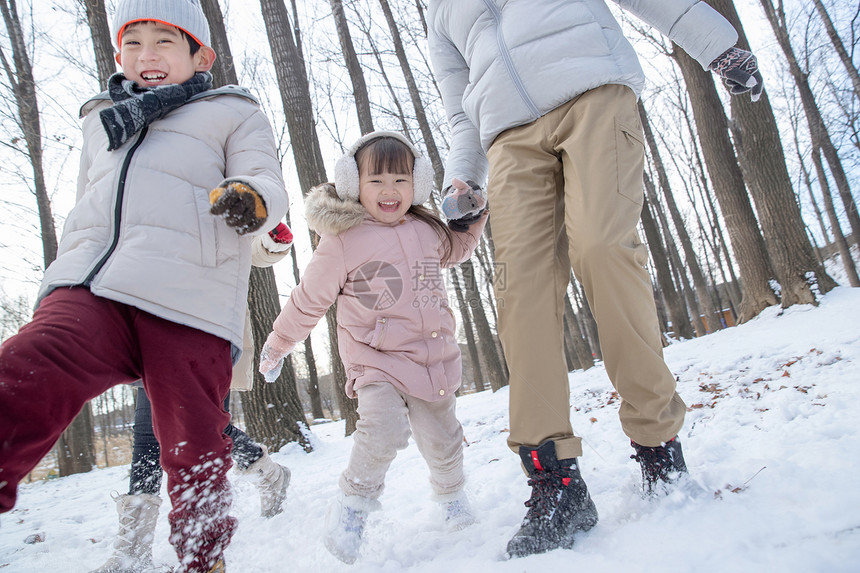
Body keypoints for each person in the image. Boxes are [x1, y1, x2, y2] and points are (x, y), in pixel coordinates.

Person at [426, 0, 764, 558]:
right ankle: (555, 480)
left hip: (592, 91)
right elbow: (460, 109)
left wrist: (717, 45)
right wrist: (463, 176)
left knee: (603, 247)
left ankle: (658, 443)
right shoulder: (441, 14)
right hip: (507, 139)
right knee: (518, 293)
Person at [0, 0, 289, 571]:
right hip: (92, 289)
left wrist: (251, 199)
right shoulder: (100, 120)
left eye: (164, 41)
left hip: (187, 296)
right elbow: (86, 204)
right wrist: (60, 276)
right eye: (133, 43)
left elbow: (264, 178)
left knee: (192, 435)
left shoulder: (231, 112)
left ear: (198, 54)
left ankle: (203, 557)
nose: (146, 55)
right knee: (24, 370)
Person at [258, 131, 488, 564]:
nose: (390, 191)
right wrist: (279, 343)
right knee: (382, 429)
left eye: (401, 181)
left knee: (444, 438)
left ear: (416, 185)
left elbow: (458, 249)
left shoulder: (426, 228)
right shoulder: (343, 240)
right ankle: (352, 508)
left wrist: (473, 215)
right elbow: (309, 299)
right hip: (375, 360)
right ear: (353, 184)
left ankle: (453, 496)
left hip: (430, 358)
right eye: (376, 180)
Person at [92, 226, 294, 573]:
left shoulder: (216, 188)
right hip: (152, 321)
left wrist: (273, 239)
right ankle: (133, 550)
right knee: (149, 435)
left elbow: (254, 249)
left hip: (209, 325)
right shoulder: (147, 197)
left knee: (207, 431)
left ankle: (255, 489)